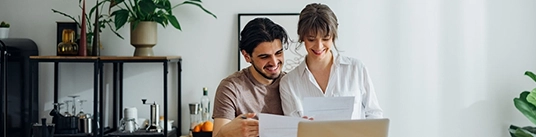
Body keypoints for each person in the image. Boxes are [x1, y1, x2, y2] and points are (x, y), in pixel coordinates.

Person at [280, 3, 383, 119]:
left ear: (333, 36)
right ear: (302, 37)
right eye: (311, 39)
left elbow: (374, 114)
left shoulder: (356, 69)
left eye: (325, 38)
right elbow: (291, 131)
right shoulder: (289, 83)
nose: (319, 46)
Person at [212, 17, 289, 137]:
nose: (274, 63)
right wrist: (226, 133)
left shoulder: (291, 83)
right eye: (264, 56)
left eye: (278, 53)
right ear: (247, 56)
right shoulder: (231, 88)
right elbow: (218, 134)